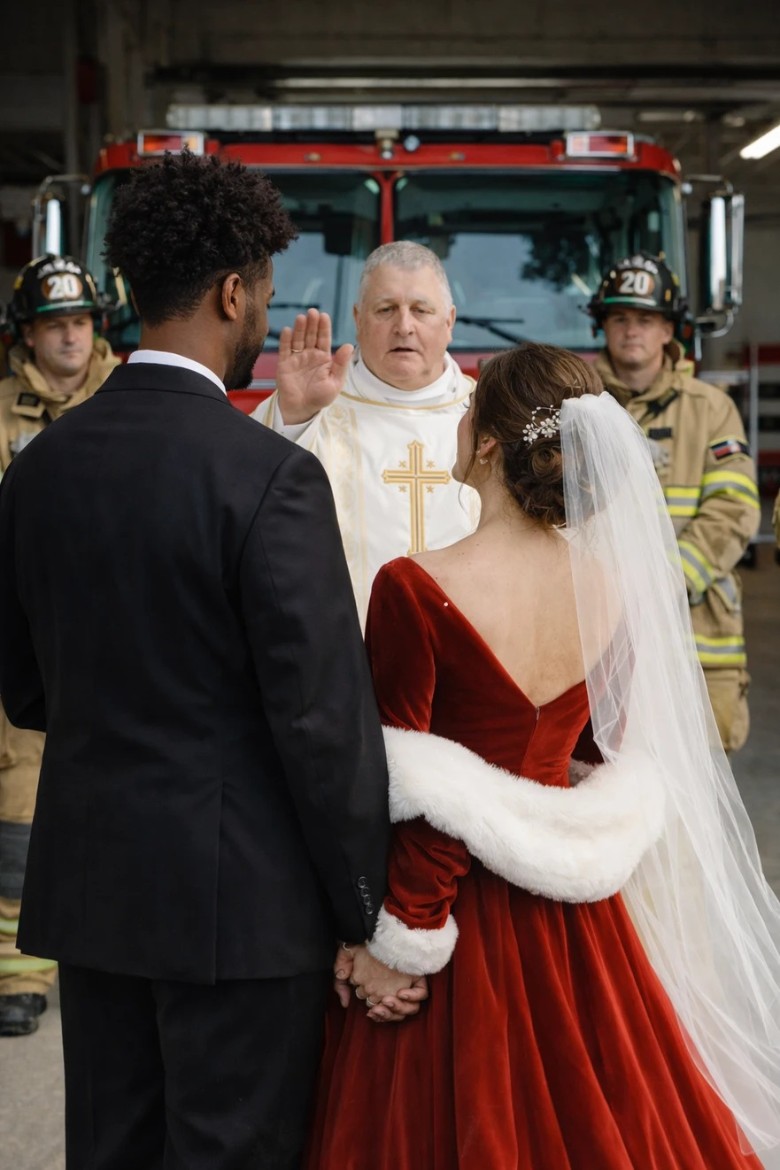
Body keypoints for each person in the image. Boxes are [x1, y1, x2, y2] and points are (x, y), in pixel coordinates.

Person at [0, 152, 396, 1170]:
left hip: (95, 898)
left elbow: (27, 686)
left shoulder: (41, 468)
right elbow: (322, 723)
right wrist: (366, 909)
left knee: (113, 1150)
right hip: (242, 916)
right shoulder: (271, 478)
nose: (266, 312)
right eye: (264, 290)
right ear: (231, 293)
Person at [304, 343, 780, 1169]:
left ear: (489, 444)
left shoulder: (415, 586)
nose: (456, 418)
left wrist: (394, 944)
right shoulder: (612, 583)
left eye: (468, 408)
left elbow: (416, 787)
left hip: (455, 921)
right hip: (575, 923)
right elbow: (596, 751)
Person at [0, 254, 119, 1037]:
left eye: (79, 321)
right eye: (53, 325)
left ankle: (108, 951)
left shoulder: (130, 396)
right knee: (19, 797)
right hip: (23, 628)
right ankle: (20, 969)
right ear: (28, 336)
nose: (69, 337)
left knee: (119, 791)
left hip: (116, 632)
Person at [252, 241, 478, 625]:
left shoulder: (489, 415)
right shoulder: (312, 405)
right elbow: (249, 502)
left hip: (470, 657)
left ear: (450, 321)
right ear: (358, 318)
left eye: (421, 310)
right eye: (386, 309)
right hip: (349, 657)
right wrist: (291, 417)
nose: (404, 326)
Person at [588, 252, 760, 753]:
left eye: (645, 319)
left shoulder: (710, 409)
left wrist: (669, 581)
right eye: (620, 318)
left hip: (697, 637)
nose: (631, 330)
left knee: (697, 778)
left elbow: (734, 508)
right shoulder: (580, 405)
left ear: (668, 331)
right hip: (604, 634)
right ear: (604, 327)